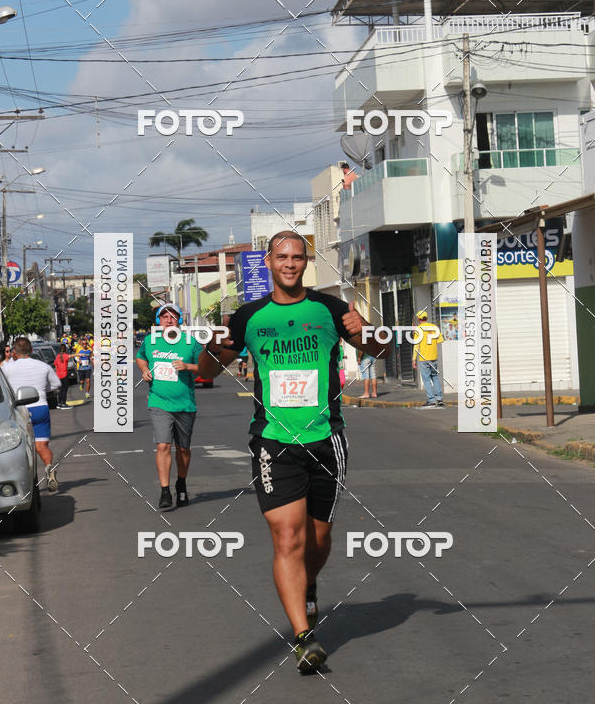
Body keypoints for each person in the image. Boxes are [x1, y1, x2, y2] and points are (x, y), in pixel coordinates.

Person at [198, 230, 390, 673]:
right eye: (281, 256)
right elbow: (208, 371)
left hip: (326, 438)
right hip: (273, 441)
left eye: (297, 257)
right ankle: (304, 636)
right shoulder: (247, 317)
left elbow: (376, 349)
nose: (289, 263)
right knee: (288, 537)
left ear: (306, 262)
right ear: (267, 261)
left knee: (318, 541)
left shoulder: (330, 309)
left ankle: (307, 586)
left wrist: (368, 332)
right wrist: (213, 344)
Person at [136, 303, 202, 509]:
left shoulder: (190, 342)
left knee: (183, 449)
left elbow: (207, 367)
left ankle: (181, 484)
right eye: (164, 317)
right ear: (158, 320)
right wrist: (145, 370)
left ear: (179, 321)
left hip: (185, 404)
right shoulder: (151, 341)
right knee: (163, 445)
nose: (168, 320)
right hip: (159, 401)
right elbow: (140, 358)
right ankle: (165, 491)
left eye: (173, 316)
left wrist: (188, 366)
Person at [1, 337, 62, 491]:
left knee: (19, 448)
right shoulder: (43, 366)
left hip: (19, 410)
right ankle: (49, 467)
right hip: (40, 407)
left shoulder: (7, 368)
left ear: (14, 352)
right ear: (32, 350)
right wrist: (42, 389)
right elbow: (57, 384)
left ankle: (24, 482)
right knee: (41, 446)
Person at [412, 310, 445, 408]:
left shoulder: (418, 329)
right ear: (426, 318)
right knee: (434, 377)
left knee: (426, 379)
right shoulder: (434, 327)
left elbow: (416, 346)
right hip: (434, 356)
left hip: (424, 358)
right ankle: (439, 398)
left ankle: (431, 400)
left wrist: (414, 359)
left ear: (418, 319)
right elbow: (440, 340)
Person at [54, 344, 71, 409]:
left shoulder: (58, 356)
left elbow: (55, 365)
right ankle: (63, 403)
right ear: (65, 349)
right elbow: (71, 356)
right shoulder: (65, 356)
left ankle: (59, 403)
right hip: (64, 375)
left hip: (58, 375)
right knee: (64, 390)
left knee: (60, 390)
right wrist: (79, 355)